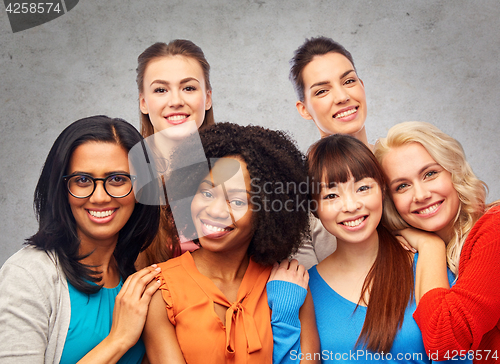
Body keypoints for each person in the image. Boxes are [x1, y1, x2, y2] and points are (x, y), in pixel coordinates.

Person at [142, 123, 319, 363]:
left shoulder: (290, 284)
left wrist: (285, 313)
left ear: (266, 213)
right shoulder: (160, 291)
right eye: (206, 193)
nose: (214, 211)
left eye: (236, 201)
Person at [0, 116, 161, 364]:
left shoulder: (137, 274)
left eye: (117, 179)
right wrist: (119, 339)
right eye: (82, 180)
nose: (99, 197)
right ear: (62, 189)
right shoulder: (28, 275)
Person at [306, 134, 469, 363]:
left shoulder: (429, 262)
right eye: (331, 195)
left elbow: (455, 356)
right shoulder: (306, 288)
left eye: (363, 188)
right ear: (315, 208)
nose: (351, 206)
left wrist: (431, 246)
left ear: (382, 191)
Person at [374, 121, 500, 362]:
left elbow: (445, 340)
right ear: (391, 202)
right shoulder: (413, 259)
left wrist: (430, 246)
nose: (421, 195)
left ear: (453, 172)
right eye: (402, 186)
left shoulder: (495, 227)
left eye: (430, 174)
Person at [289, 36, 369, 269]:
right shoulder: (298, 188)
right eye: (322, 91)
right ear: (304, 109)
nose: (342, 97)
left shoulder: (399, 160)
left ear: (362, 86)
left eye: (349, 81)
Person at [134, 39, 214, 268]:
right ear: (144, 103)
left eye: (188, 88)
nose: (176, 101)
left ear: (207, 98)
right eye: (161, 90)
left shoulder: (236, 167)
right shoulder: (125, 174)